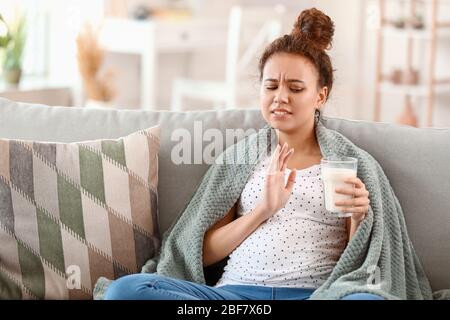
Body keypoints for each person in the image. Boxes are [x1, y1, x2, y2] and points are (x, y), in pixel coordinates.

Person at [104, 8, 383, 300]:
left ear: (320, 96)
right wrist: (263, 210)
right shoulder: (240, 159)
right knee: (126, 291)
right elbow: (203, 253)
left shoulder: (349, 163)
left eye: (296, 88)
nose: (280, 97)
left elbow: (357, 269)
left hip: (312, 295)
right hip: (236, 297)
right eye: (271, 86)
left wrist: (358, 218)